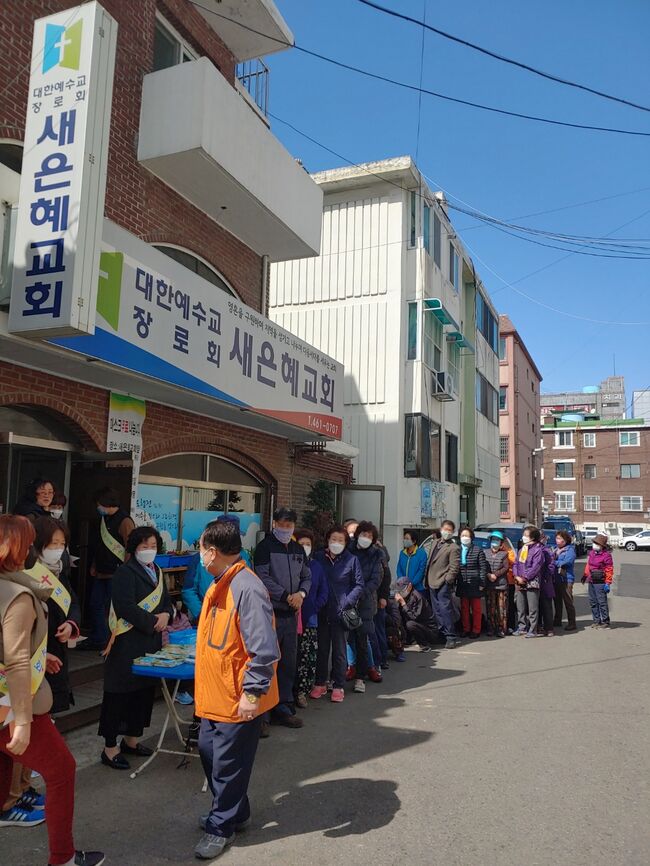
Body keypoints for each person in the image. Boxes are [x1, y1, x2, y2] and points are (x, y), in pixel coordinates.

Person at [0, 515, 104, 866]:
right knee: (61, 770)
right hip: (13, 707)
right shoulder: (18, 595)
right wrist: (23, 721)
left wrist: (40, 657)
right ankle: (63, 857)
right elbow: (15, 661)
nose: (32, 550)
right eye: (29, 543)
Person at [194, 519, 279, 860]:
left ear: (213, 551)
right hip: (215, 696)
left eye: (201, 548)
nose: (200, 554)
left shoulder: (246, 587)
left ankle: (221, 827)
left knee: (227, 766)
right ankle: (235, 812)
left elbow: (264, 648)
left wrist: (252, 693)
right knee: (210, 754)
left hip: (236, 697)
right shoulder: (222, 582)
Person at [98, 526, 172, 770]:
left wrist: (166, 615)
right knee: (119, 694)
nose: (149, 550)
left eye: (153, 546)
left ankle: (132, 739)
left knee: (142, 693)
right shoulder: (125, 572)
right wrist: (153, 622)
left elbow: (167, 602)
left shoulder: (157, 571)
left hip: (149, 642)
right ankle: (110, 748)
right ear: (134, 548)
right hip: (127, 642)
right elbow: (125, 606)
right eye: (144, 546)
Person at [254, 507, 311, 729]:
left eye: (289, 525)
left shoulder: (298, 549)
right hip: (271, 614)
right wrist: (286, 596)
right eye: (282, 524)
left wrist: (301, 594)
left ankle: (283, 707)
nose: (285, 529)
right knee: (268, 663)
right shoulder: (264, 547)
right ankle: (263, 714)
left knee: (288, 663)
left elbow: (307, 576)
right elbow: (262, 577)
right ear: (274, 524)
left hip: (291, 615)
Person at [310, 526, 364, 704]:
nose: (336, 543)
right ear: (327, 540)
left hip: (341, 613)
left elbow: (359, 585)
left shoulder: (352, 560)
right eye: (333, 539)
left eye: (340, 540)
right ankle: (320, 683)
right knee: (322, 649)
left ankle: (338, 685)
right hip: (322, 610)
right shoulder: (318, 557)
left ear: (346, 542)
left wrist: (347, 601)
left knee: (340, 651)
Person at [34, 517, 81, 715]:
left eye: (62, 544)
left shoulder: (60, 572)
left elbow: (73, 603)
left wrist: (71, 624)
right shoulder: (27, 572)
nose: (59, 549)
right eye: (54, 543)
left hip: (57, 648)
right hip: (35, 651)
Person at [83, 488, 135, 651]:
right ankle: (99, 638)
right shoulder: (104, 519)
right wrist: (94, 565)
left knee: (111, 609)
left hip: (116, 573)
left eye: (99, 504)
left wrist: (125, 571)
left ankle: (110, 640)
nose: (98, 508)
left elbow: (130, 547)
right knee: (95, 605)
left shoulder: (125, 521)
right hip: (101, 571)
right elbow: (100, 545)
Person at [183, 515, 251, 622]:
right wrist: (202, 614)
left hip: (235, 619)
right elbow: (188, 590)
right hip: (206, 617)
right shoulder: (200, 558)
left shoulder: (244, 557)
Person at [294, 529, 328, 708]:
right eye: (301, 544)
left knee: (307, 658)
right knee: (292, 657)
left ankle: (302, 692)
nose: (305, 547)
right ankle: (288, 692)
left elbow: (324, 591)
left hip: (311, 618)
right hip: (291, 617)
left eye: (308, 544)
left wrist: (315, 606)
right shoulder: (290, 564)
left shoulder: (316, 567)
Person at [348, 522, 383, 692]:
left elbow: (376, 579)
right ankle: (346, 670)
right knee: (346, 639)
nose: (366, 538)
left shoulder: (376, 554)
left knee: (362, 640)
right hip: (346, 600)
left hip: (364, 602)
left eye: (370, 536)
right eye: (364, 534)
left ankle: (361, 677)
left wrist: (360, 593)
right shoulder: (347, 550)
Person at [426, 519, 461, 649]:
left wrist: (447, 580)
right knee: (436, 611)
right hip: (431, 581)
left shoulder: (453, 547)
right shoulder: (435, 543)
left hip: (443, 582)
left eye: (450, 530)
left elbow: (454, 567)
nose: (447, 532)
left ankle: (450, 636)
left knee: (445, 610)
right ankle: (441, 634)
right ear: (441, 529)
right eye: (445, 529)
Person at [512, 525, 545, 638]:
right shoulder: (522, 549)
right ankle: (522, 627)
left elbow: (536, 567)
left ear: (533, 537)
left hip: (532, 582)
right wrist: (516, 576)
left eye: (526, 535)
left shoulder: (538, 550)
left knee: (532, 608)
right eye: (524, 534)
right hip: (519, 581)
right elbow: (516, 564)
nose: (524, 537)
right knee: (520, 607)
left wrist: (525, 578)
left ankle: (533, 629)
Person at [456, 527, 487, 639]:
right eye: (463, 535)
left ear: (471, 537)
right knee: (464, 608)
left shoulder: (478, 550)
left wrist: (482, 583)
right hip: (462, 583)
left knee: (476, 609)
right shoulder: (457, 550)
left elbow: (483, 568)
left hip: (475, 583)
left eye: (467, 535)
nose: (465, 538)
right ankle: (466, 629)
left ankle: (476, 630)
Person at [394, 577, 437, 650]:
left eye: (403, 590)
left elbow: (414, 617)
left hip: (429, 629)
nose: (401, 592)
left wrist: (403, 604)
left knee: (410, 624)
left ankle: (424, 644)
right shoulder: (405, 597)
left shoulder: (417, 597)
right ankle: (407, 639)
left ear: (410, 586)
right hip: (419, 626)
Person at [581, 533, 614, 629]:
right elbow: (589, 565)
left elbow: (609, 569)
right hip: (591, 580)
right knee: (593, 602)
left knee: (602, 602)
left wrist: (607, 582)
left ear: (602, 545)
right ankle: (596, 620)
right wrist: (585, 575)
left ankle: (605, 621)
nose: (594, 545)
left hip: (600, 581)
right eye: (594, 543)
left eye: (596, 543)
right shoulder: (592, 553)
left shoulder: (606, 555)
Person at [484, 531, 509, 637]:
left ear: (501, 542)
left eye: (497, 540)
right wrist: (488, 575)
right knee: (490, 607)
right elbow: (483, 566)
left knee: (501, 608)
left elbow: (506, 567)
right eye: (493, 539)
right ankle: (491, 628)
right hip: (489, 584)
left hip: (501, 585)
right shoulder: (485, 552)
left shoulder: (504, 554)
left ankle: (501, 629)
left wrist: (496, 575)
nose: (495, 542)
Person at [374, 538, 392, 669]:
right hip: (366, 599)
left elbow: (386, 577)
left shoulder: (379, 553)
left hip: (378, 597)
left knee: (378, 628)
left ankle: (382, 658)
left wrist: (383, 597)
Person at [554, 531, 577, 631]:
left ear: (565, 540)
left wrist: (554, 562)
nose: (557, 540)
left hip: (567, 579)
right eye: (557, 538)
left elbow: (567, 562)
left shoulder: (570, 550)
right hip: (556, 578)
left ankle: (572, 623)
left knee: (568, 601)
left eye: (560, 538)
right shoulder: (556, 550)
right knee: (557, 601)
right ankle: (557, 620)